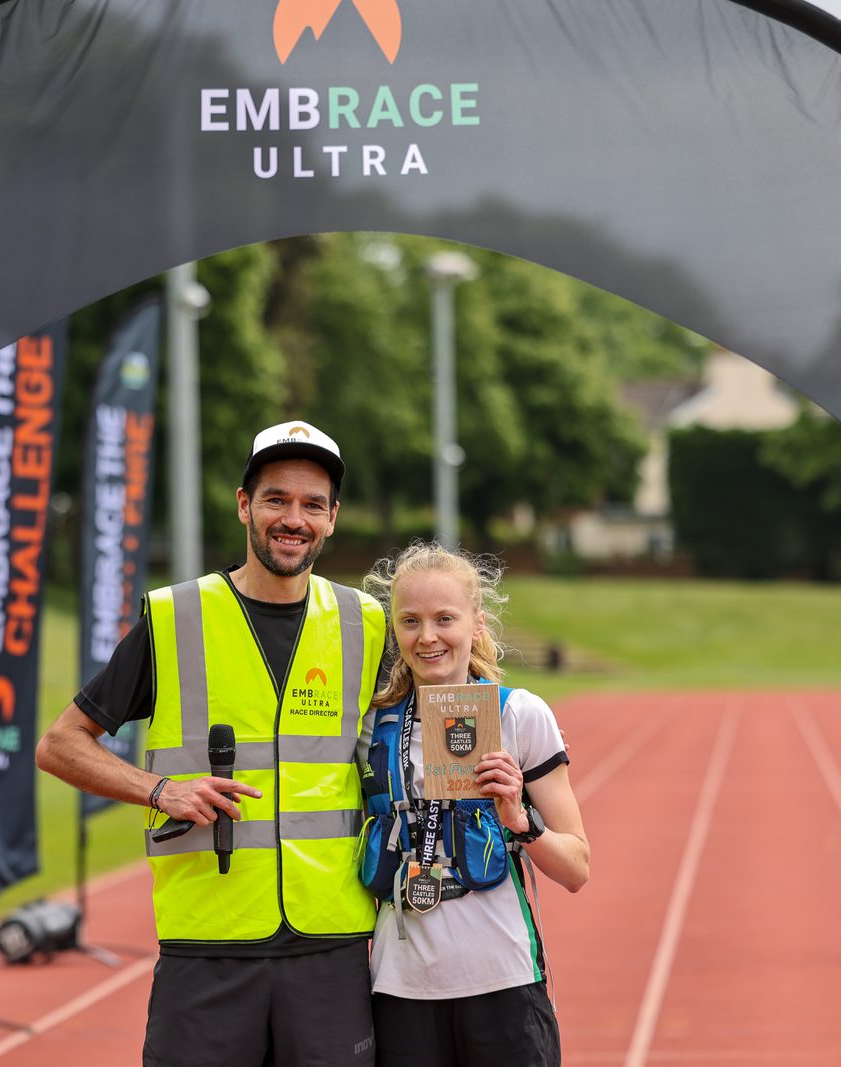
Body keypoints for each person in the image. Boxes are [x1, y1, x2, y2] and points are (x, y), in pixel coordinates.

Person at [37, 419, 387, 1067]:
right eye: (276, 498)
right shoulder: (175, 619)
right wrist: (159, 788)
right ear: (243, 505)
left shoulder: (366, 624)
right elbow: (60, 744)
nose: (294, 518)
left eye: (313, 504)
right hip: (208, 949)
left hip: (332, 946)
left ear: (333, 518)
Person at [358, 542, 588, 1067]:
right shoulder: (372, 726)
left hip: (503, 983)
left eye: (445, 618)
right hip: (402, 991)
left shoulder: (520, 716)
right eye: (410, 621)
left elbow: (577, 867)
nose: (428, 636)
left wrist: (518, 819)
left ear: (477, 623)